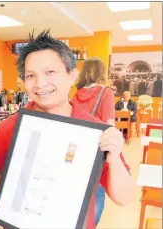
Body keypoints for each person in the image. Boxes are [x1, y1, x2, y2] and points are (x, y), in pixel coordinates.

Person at [0, 30, 134, 229]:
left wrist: (114, 157)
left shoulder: (94, 133)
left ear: (72, 75)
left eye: (50, 72)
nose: (40, 83)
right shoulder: (11, 126)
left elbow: (124, 198)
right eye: (30, 75)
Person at [71, 57, 116, 225]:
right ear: (101, 72)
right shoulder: (106, 93)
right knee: (96, 195)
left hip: (76, 150)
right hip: (95, 152)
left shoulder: (76, 94)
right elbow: (109, 126)